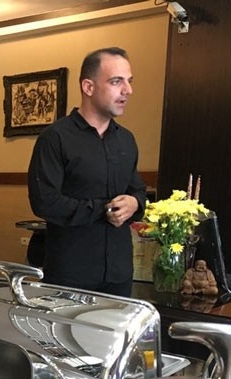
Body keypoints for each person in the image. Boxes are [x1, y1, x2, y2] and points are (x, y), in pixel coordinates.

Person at [28, 47, 146, 297]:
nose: (128, 90)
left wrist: (134, 202)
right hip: (70, 274)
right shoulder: (55, 138)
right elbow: (44, 202)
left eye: (129, 81)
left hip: (119, 274)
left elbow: (138, 190)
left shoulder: (126, 140)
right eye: (116, 81)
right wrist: (104, 209)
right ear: (88, 87)